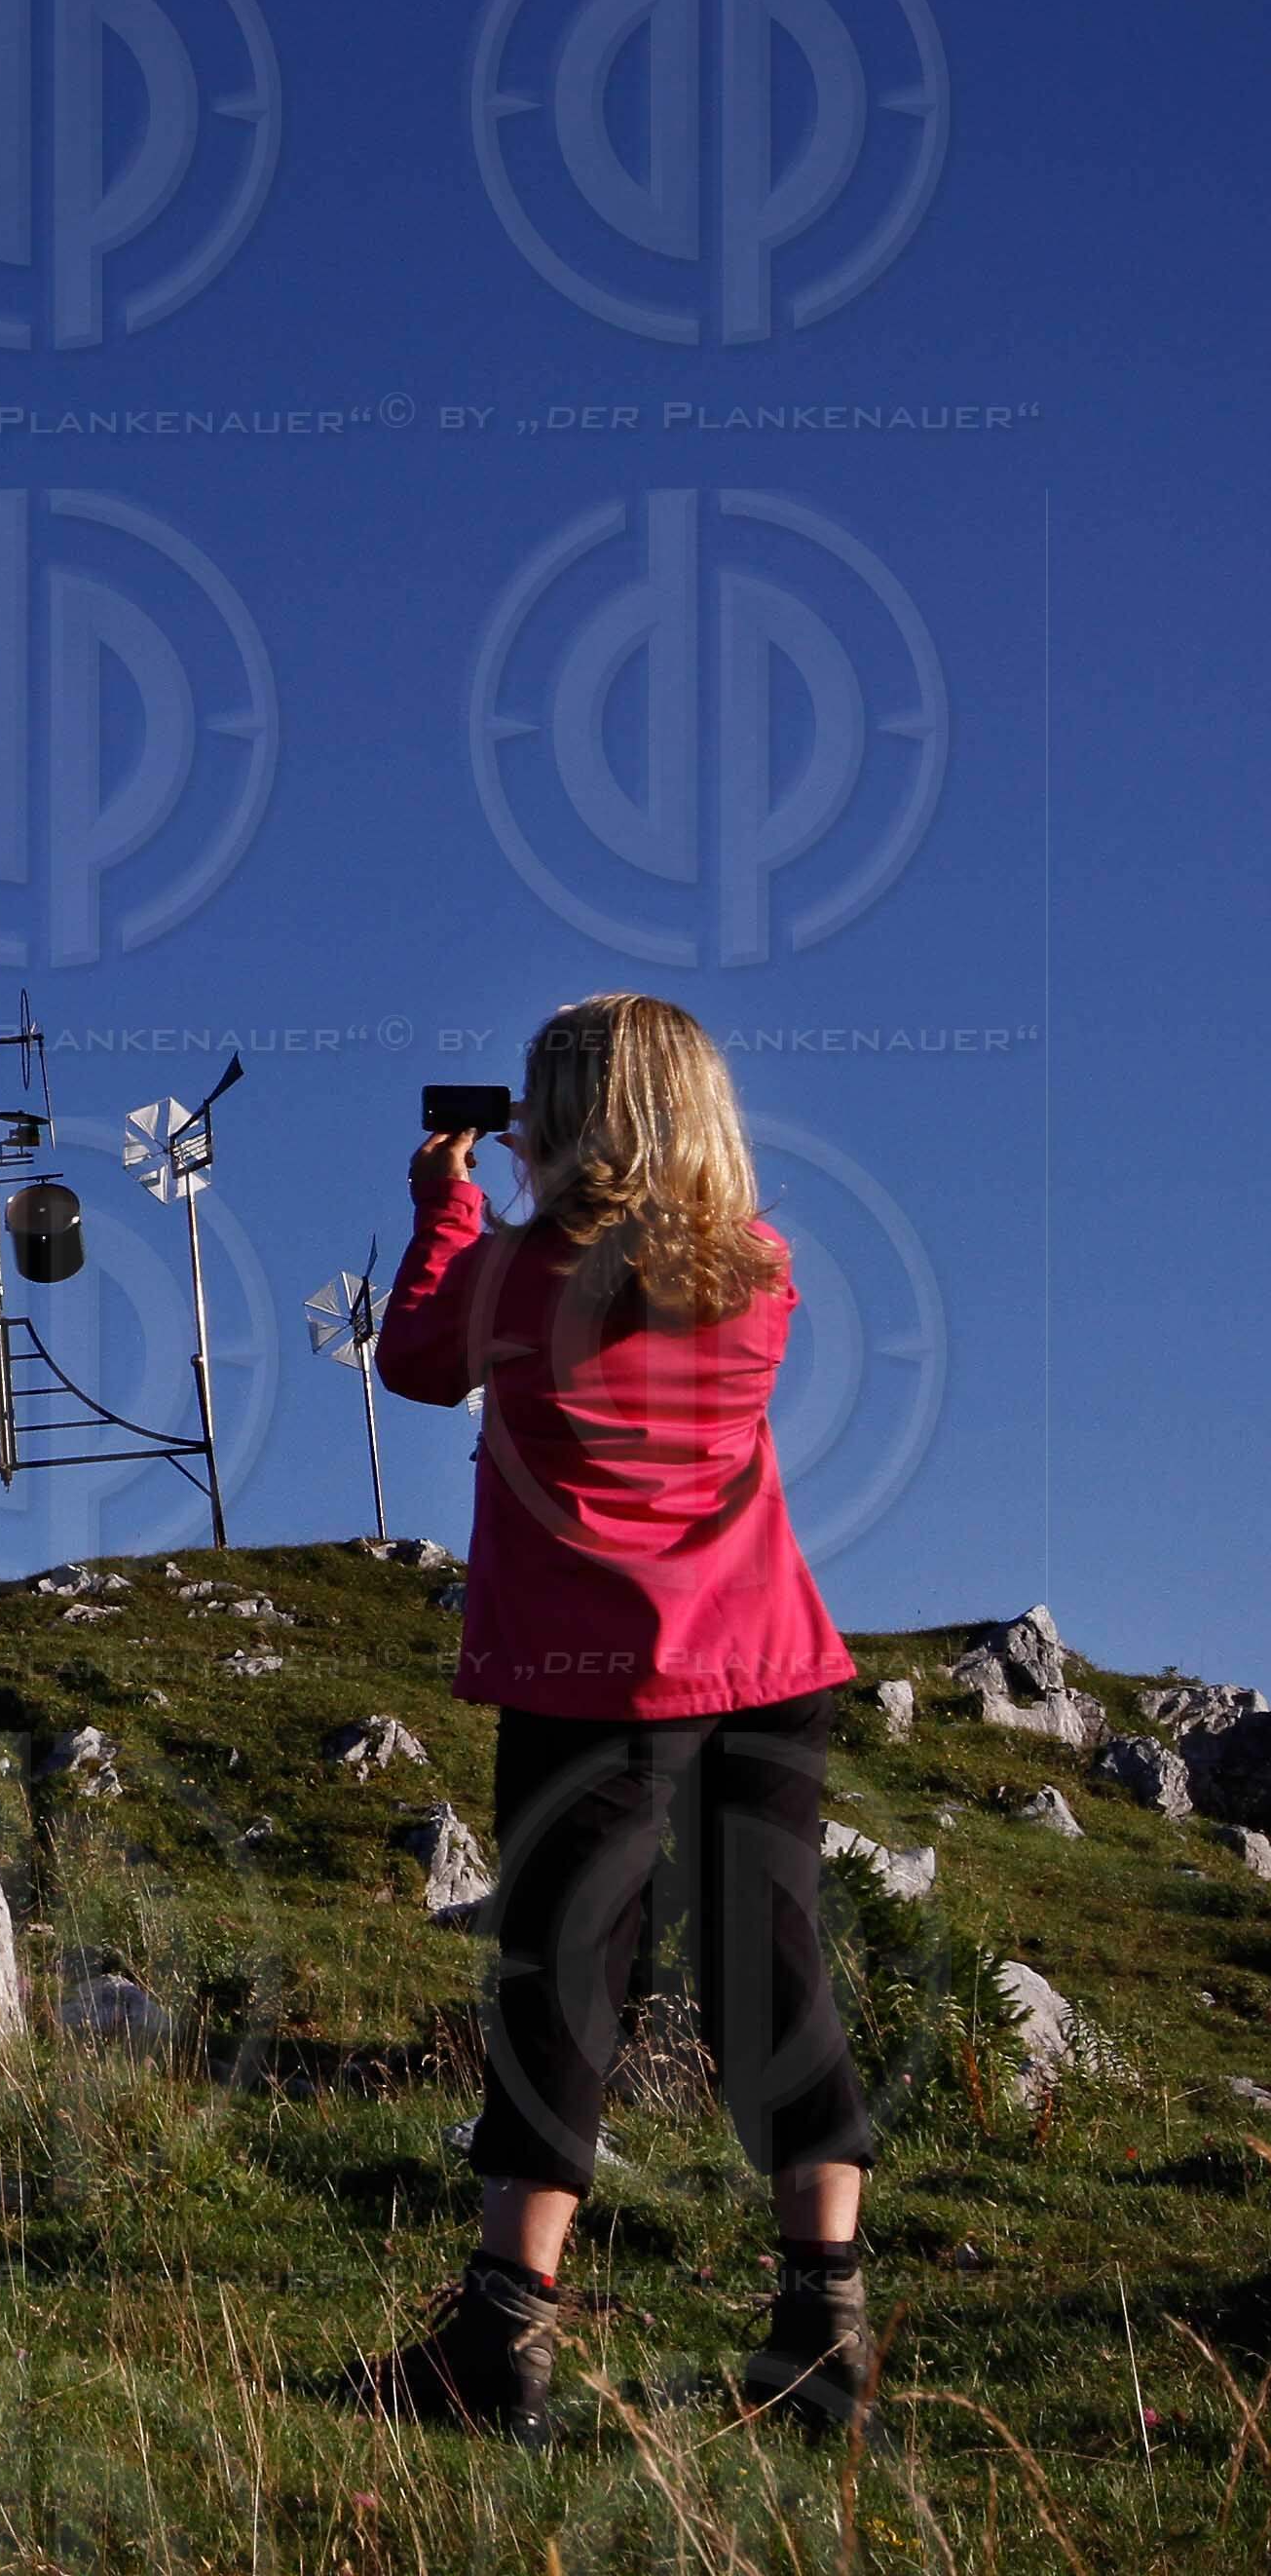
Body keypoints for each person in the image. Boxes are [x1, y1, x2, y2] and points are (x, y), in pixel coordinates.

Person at [343, 993, 876, 2444]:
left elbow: (416, 1361)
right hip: (764, 1665)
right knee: (777, 1976)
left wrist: (446, 1204)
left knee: (567, 1987)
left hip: (588, 1680)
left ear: (561, 1117)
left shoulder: (515, 1272)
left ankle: (502, 2336)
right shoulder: (758, 1272)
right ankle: (823, 2332)